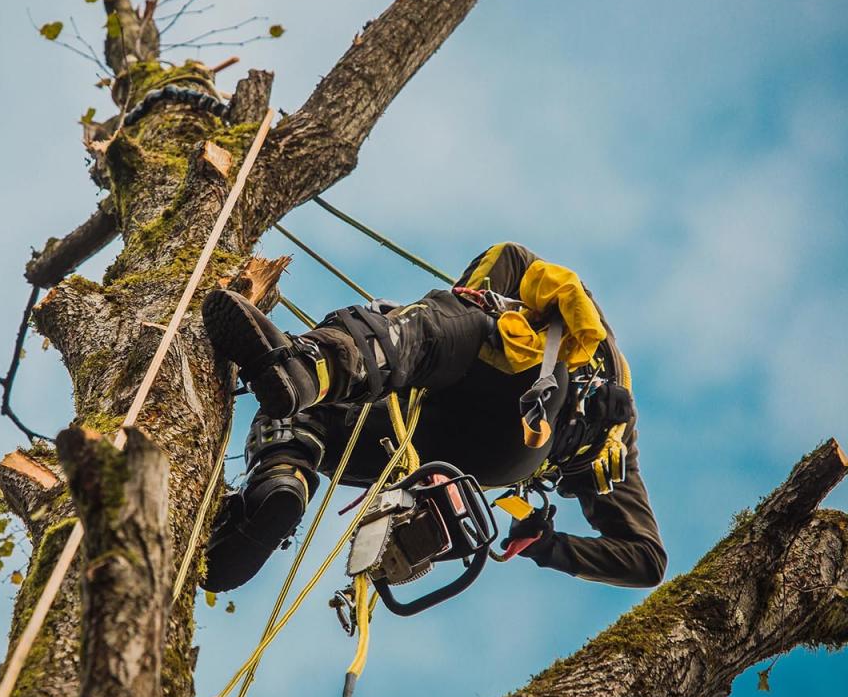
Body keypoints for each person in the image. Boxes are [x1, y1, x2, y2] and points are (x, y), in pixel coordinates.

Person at [200, 242, 666, 592]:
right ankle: (279, 489)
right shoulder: (619, 446)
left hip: (522, 402)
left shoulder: (525, 277)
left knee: (447, 321)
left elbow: (473, 292)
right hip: (476, 458)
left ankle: (316, 366)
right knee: (300, 411)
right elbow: (646, 559)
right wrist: (546, 545)